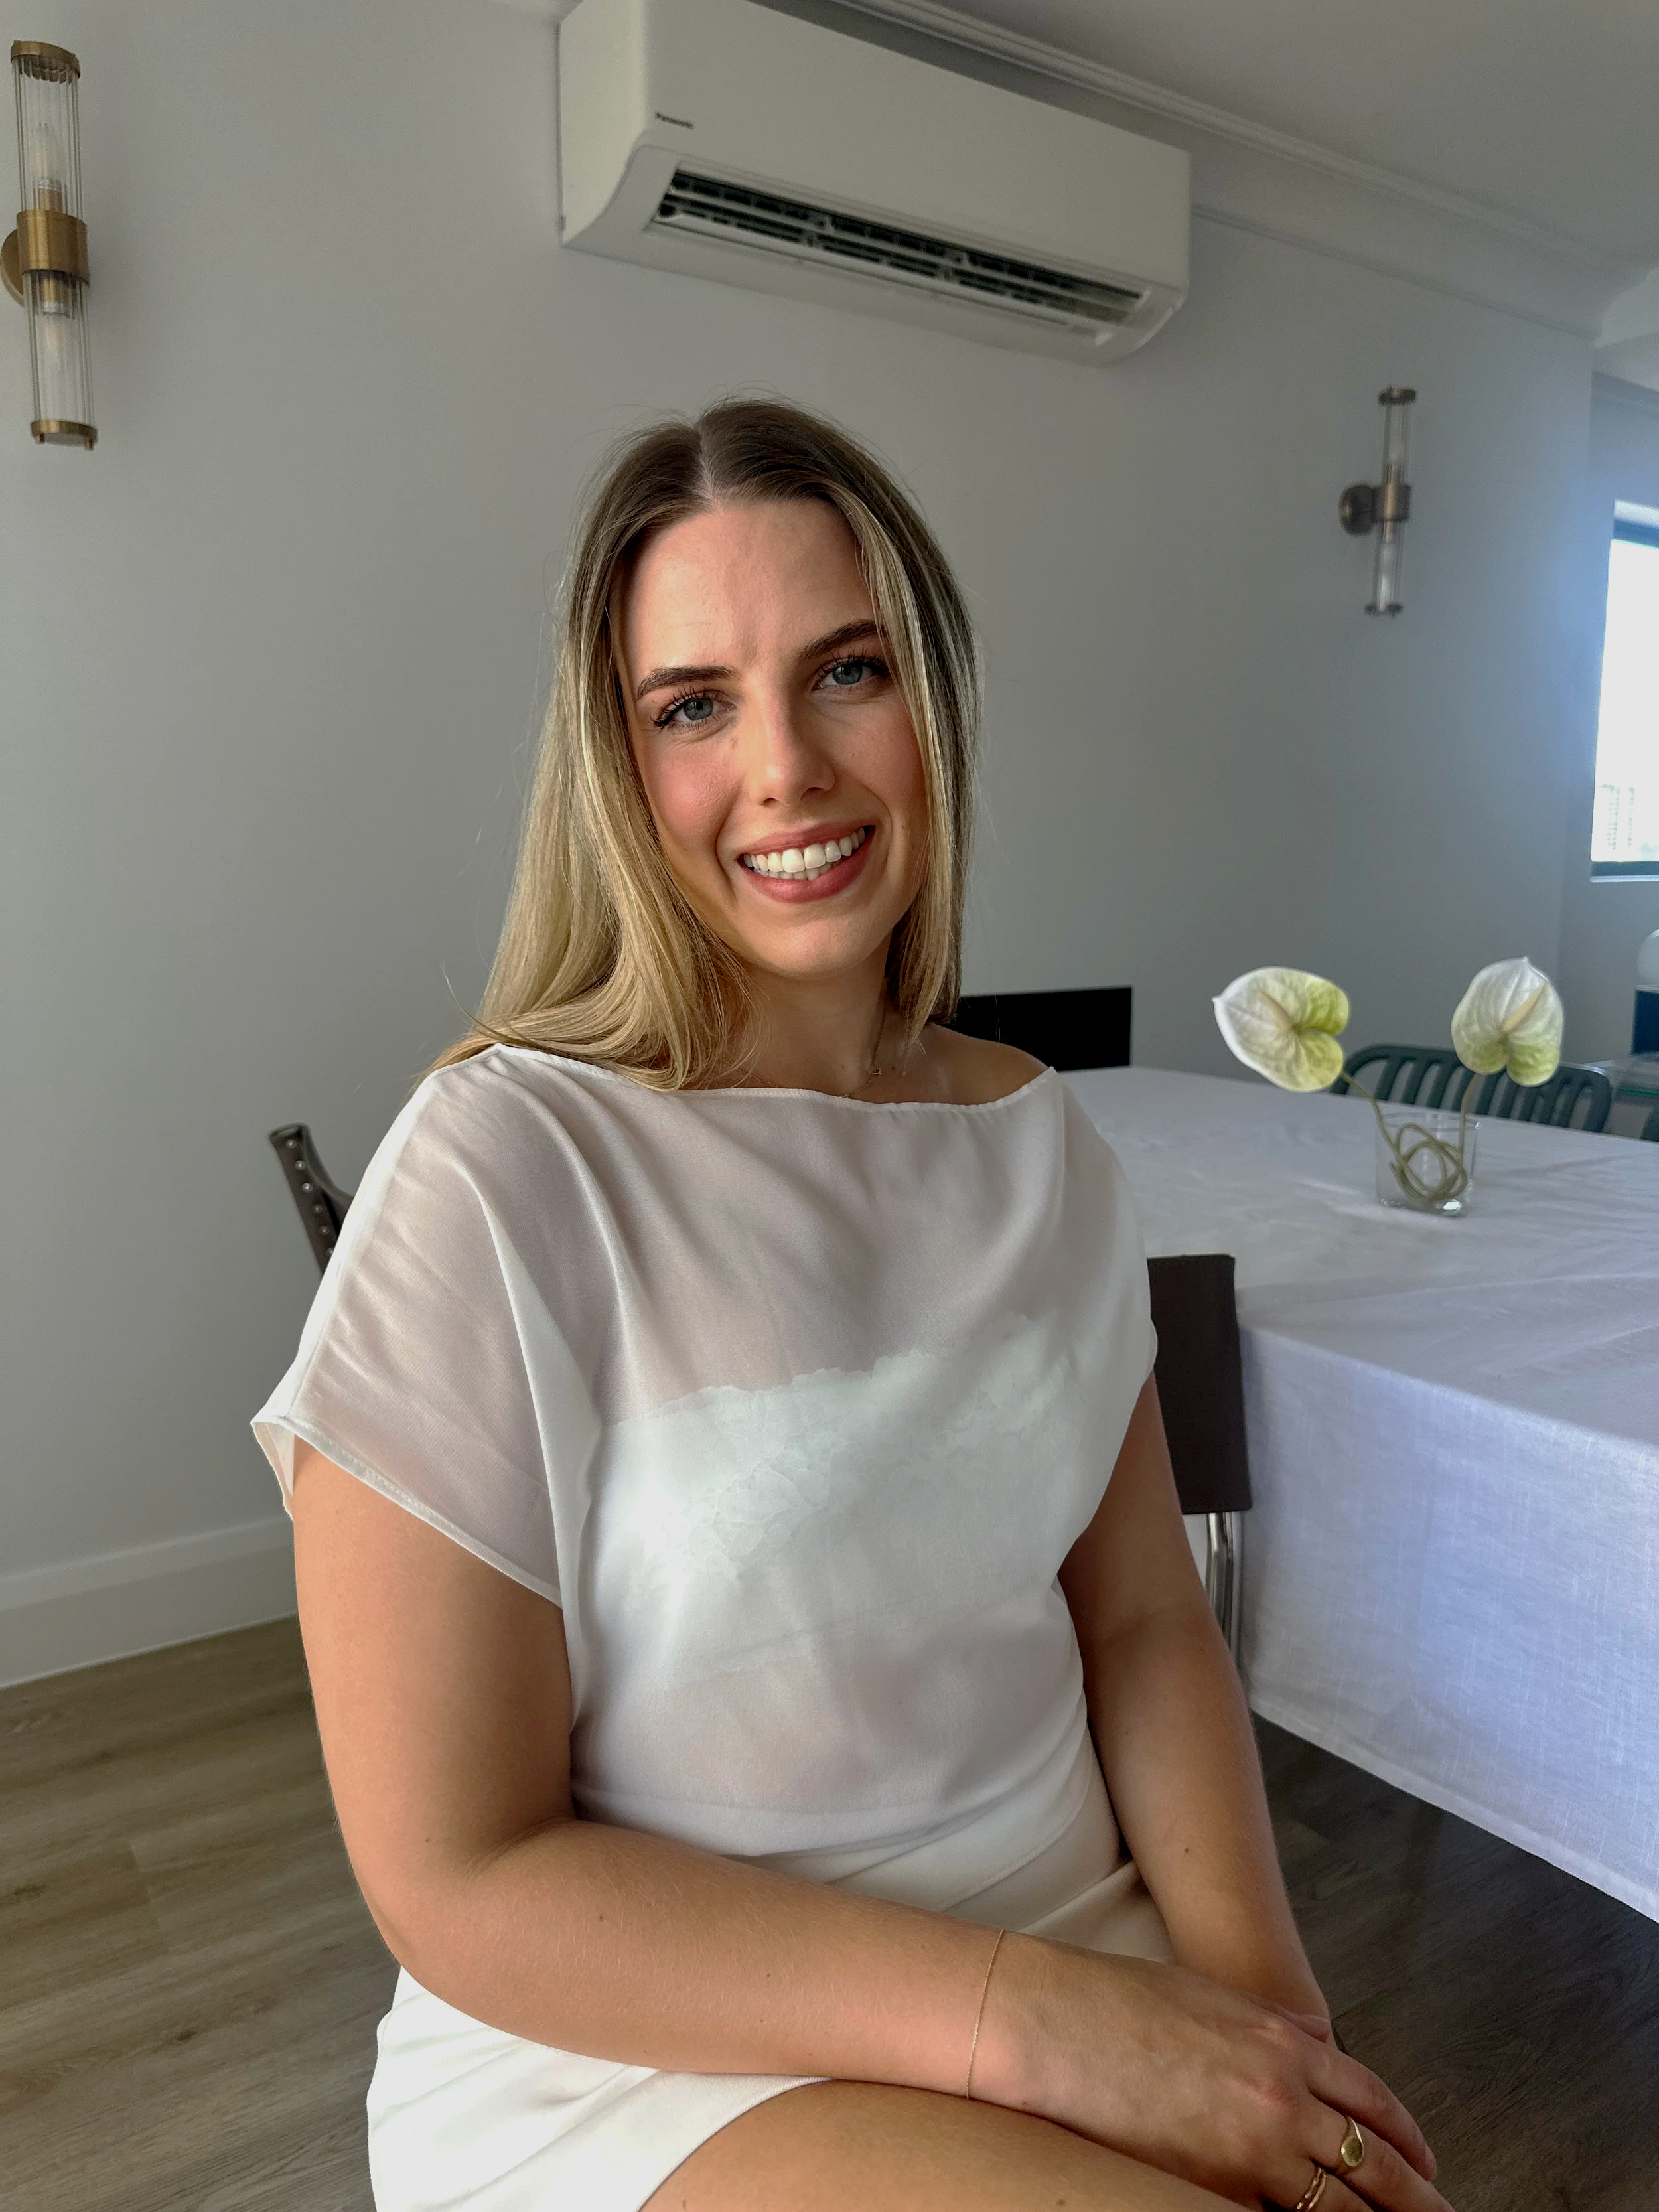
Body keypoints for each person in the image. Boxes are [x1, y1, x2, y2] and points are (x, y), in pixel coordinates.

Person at [253, 398, 1451, 2212]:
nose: (789, 769)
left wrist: (1277, 2026)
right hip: (659, 2052)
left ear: (933, 705)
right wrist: (1045, 2026)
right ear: (614, 758)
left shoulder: (1043, 1141)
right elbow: (463, 1874)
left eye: (846, 669)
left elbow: (1140, 1625)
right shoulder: (502, 1167)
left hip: (1078, 1949)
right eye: (694, 704)